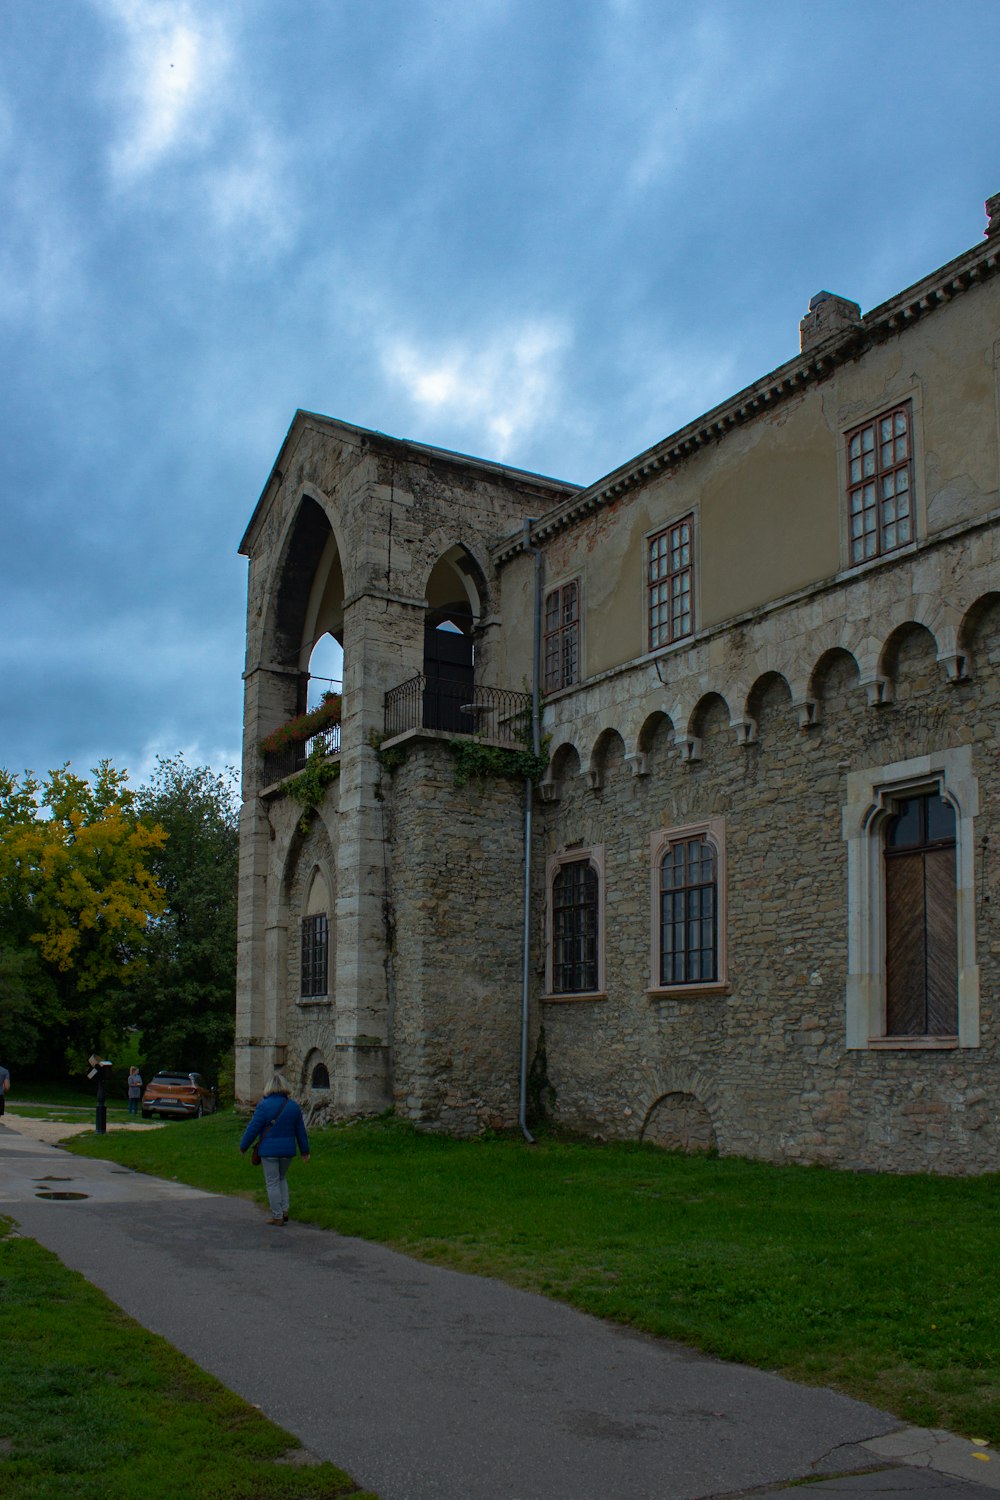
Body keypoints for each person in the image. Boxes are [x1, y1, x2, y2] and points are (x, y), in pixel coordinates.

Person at [239, 1073, 310, 1226]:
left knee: (272, 1182)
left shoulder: (263, 1106)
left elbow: (253, 1128)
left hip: (269, 1151)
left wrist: (243, 1146)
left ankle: (277, 1216)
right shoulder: (293, 1106)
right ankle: (284, 1210)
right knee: (282, 1178)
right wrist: (305, 1151)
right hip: (287, 1151)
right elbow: (301, 1131)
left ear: (269, 1087)